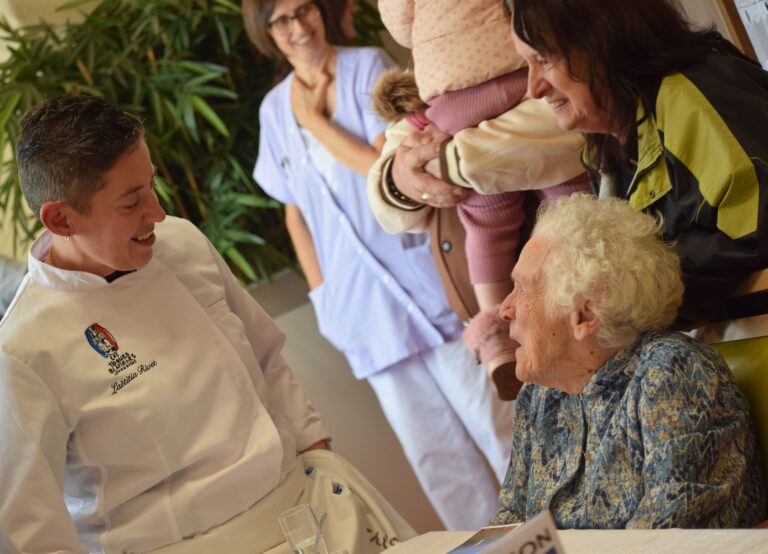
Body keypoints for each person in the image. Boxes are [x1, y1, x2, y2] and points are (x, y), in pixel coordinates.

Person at [0, 94, 415, 553]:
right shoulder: (23, 350)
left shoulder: (181, 242)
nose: (156, 212)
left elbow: (266, 355)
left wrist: (317, 451)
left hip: (308, 512)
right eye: (131, 201)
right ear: (60, 219)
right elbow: (32, 526)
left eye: (151, 185)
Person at [242, 0, 515, 530]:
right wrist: (324, 300)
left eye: (304, 11)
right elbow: (295, 216)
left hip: (428, 288)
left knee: (500, 427)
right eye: (281, 20)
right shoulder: (273, 112)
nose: (298, 27)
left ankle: (563, 536)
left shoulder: (366, 67)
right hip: (361, 312)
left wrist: (315, 125)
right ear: (267, 33)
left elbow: (384, 168)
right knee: (438, 464)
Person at [491, 193, 765, 528]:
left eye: (523, 288)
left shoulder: (671, 375)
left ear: (584, 315)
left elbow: (663, 537)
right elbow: (511, 522)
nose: (505, 309)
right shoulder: (540, 395)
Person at [372, 0, 591, 394]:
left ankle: (497, 334)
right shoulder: (423, 69)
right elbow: (388, 205)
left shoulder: (549, 37)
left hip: (465, 92)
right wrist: (401, 177)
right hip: (506, 72)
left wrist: (451, 161)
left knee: (495, 218)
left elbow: (571, 127)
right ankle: (551, 314)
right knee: (571, 202)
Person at [509, 0, 768, 328]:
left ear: (602, 39)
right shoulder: (607, 145)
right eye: (526, 63)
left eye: (544, 59)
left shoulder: (690, 99)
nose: (533, 87)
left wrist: (622, 295)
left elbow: (755, 229)